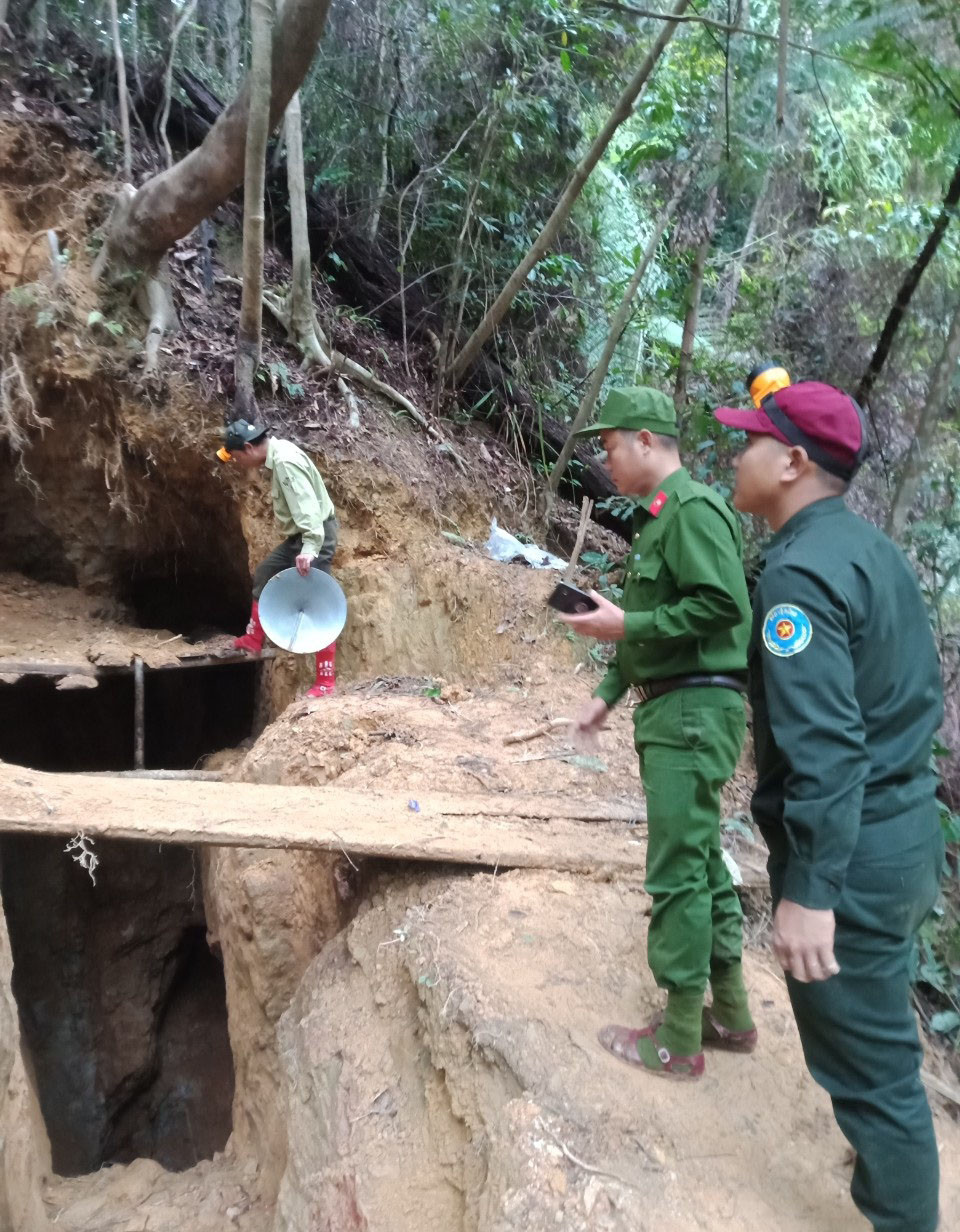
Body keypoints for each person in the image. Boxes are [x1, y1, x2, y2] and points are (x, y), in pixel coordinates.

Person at [713, 381, 944, 1232]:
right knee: (879, 1039)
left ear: (792, 462)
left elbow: (830, 747)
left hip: (856, 858)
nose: (735, 457)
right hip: (905, 836)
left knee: (876, 1079)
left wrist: (811, 892)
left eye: (747, 443)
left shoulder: (800, 575)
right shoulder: (868, 552)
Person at [558, 385, 755, 1079]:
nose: (606, 458)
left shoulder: (693, 512)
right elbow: (654, 633)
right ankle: (729, 1011)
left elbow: (721, 604)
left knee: (676, 871)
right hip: (679, 704)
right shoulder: (658, 521)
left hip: (694, 712)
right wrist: (607, 694)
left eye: (611, 445)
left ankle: (677, 1037)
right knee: (701, 861)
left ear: (647, 441)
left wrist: (626, 625)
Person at [217, 419, 339, 698]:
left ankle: (326, 681)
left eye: (236, 457)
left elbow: (308, 508)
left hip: (315, 534)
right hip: (300, 538)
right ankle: (253, 638)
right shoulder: (278, 455)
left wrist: (309, 548)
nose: (238, 463)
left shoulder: (285, 463)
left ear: (248, 448)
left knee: (319, 601)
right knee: (265, 573)